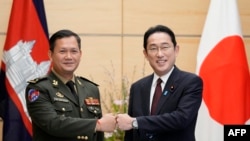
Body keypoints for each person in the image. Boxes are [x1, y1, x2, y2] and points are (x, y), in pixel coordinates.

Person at [25, 29, 116, 141]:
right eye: (62, 51)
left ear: (80, 54)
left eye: (74, 51)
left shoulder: (91, 88)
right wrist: (97, 125)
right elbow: (53, 124)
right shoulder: (38, 88)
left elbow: (98, 136)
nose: (69, 57)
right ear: (50, 54)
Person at [116, 25, 203, 141]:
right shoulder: (137, 87)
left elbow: (181, 119)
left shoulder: (190, 82)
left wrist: (135, 122)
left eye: (165, 47)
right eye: (153, 48)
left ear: (176, 50)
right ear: (145, 54)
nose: (159, 54)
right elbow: (131, 134)